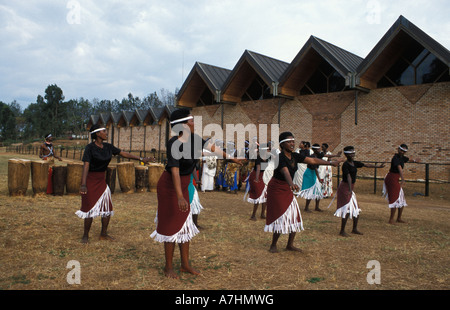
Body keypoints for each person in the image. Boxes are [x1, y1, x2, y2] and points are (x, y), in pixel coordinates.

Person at [150, 109, 244, 278]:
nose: (195, 123)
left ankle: (185, 264)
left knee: (185, 226)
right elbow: (175, 171)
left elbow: (213, 148)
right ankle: (168, 267)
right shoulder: (174, 143)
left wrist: (231, 158)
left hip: (183, 186)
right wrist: (179, 196)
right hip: (170, 187)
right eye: (192, 121)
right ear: (183, 125)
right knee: (171, 224)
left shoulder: (194, 139)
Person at [264, 132, 341, 253]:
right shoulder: (280, 157)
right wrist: (291, 184)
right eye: (289, 141)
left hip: (287, 188)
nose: (292, 143)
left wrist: (330, 163)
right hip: (277, 188)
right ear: (282, 144)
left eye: (293, 141)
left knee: (294, 214)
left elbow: (313, 160)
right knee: (281, 215)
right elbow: (285, 171)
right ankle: (273, 245)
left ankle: (290, 245)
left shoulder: (295, 155)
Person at [76, 125, 151, 243]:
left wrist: (141, 158)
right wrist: (83, 184)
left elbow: (123, 153)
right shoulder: (89, 148)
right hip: (90, 180)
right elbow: (86, 165)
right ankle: (85, 235)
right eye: (104, 131)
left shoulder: (108, 147)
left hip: (101, 181)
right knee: (89, 209)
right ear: (97, 134)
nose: (107, 133)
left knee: (107, 208)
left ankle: (103, 234)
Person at [335, 146, 384, 236]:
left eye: (353, 153)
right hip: (345, 188)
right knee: (347, 209)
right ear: (346, 154)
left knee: (356, 209)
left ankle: (354, 229)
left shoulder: (354, 163)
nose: (352, 155)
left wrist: (378, 167)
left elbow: (366, 165)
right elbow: (348, 177)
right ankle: (342, 231)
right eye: (350, 153)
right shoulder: (345, 165)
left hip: (350, 188)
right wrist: (350, 189)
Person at [383, 144, 418, 224]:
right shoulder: (395, 158)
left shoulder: (402, 157)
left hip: (395, 178)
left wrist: (415, 160)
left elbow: (408, 159)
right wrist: (403, 179)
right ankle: (391, 219)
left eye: (404, 151)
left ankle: (399, 218)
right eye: (401, 150)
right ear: (398, 149)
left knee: (401, 198)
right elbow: (399, 168)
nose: (402, 152)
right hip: (391, 178)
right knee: (394, 197)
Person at [299, 143, 328, 212]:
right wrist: (319, 178)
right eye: (318, 149)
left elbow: (326, 155)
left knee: (318, 191)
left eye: (319, 149)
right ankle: (306, 208)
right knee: (310, 190)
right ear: (314, 150)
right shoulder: (312, 157)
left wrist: (336, 155)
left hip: (313, 174)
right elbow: (315, 169)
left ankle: (317, 207)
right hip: (309, 174)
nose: (319, 150)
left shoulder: (318, 155)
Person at [247, 143, 270, 221]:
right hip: (256, 176)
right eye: (267, 149)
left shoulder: (267, 157)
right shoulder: (258, 158)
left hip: (263, 177)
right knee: (258, 195)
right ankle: (253, 215)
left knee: (265, 196)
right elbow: (258, 168)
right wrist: (257, 179)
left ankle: (263, 214)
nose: (268, 150)